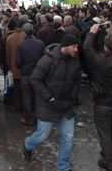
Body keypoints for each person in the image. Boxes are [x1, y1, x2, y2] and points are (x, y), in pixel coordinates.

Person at [23, 34, 81, 171]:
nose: (76, 49)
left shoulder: (75, 60)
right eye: (74, 46)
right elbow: (35, 79)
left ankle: (63, 167)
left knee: (68, 138)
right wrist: (49, 97)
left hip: (66, 106)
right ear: (65, 46)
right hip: (48, 105)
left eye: (77, 46)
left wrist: (73, 95)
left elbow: (77, 79)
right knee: (42, 135)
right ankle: (28, 144)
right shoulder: (47, 60)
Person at [83, 25, 112, 171]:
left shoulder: (101, 61)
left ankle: (108, 162)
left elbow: (87, 48)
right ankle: (108, 154)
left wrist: (92, 32)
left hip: (103, 103)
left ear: (106, 48)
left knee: (104, 134)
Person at [15, 23, 45, 126]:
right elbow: (44, 58)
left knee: (26, 97)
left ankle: (29, 118)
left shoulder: (20, 45)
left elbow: (18, 61)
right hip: (38, 74)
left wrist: (23, 68)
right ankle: (40, 117)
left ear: (24, 32)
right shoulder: (40, 43)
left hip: (26, 74)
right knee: (38, 95)